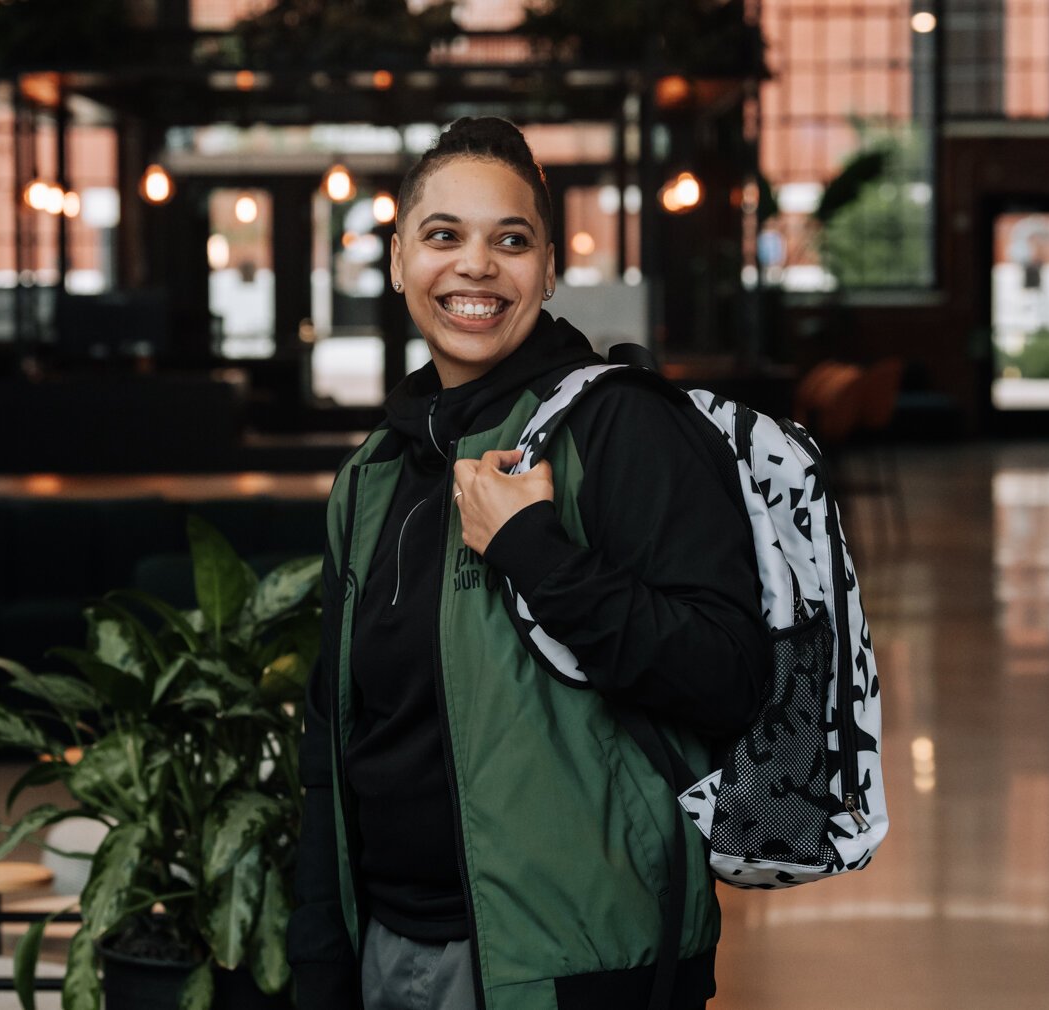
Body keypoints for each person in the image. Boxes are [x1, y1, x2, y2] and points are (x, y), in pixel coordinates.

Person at [287, 117, 767, 1010]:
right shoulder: (374, 474)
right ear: (398, 262)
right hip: (390, 950)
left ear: (548, 269)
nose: (475, 266)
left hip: (580, 965)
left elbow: (726, 673)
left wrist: (530, 550)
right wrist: (320, 949)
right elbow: (335, 733)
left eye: (510, 240)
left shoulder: (622, 428)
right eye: (443, 237)